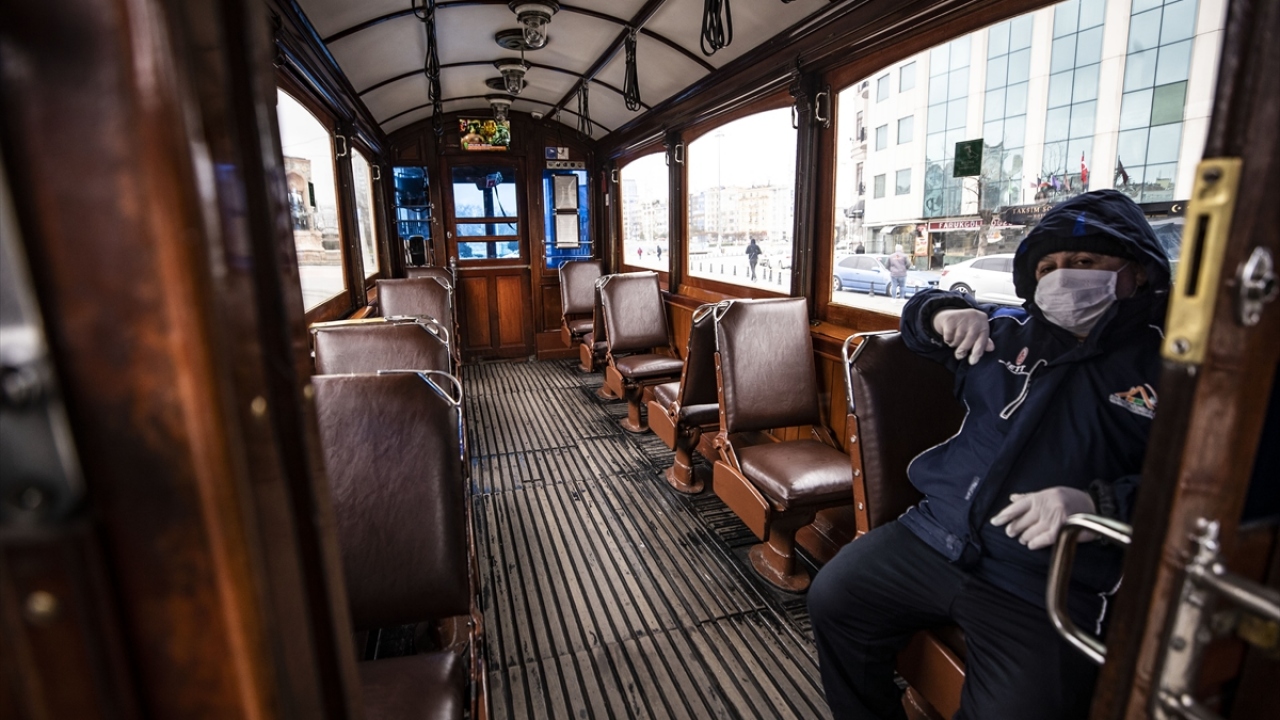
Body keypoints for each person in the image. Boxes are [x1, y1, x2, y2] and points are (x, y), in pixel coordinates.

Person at [809, 190, 1170, 720]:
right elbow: (917, 317)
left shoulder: (1174, 368)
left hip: (1046, 578)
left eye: (1085, 262)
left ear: (1136, 271)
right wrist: (943, 312)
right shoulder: (1005, 334)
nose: (1063, 277)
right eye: (1048, 267)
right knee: (833, 597)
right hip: (936, 535)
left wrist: (1100, 505)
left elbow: (1209, 490)